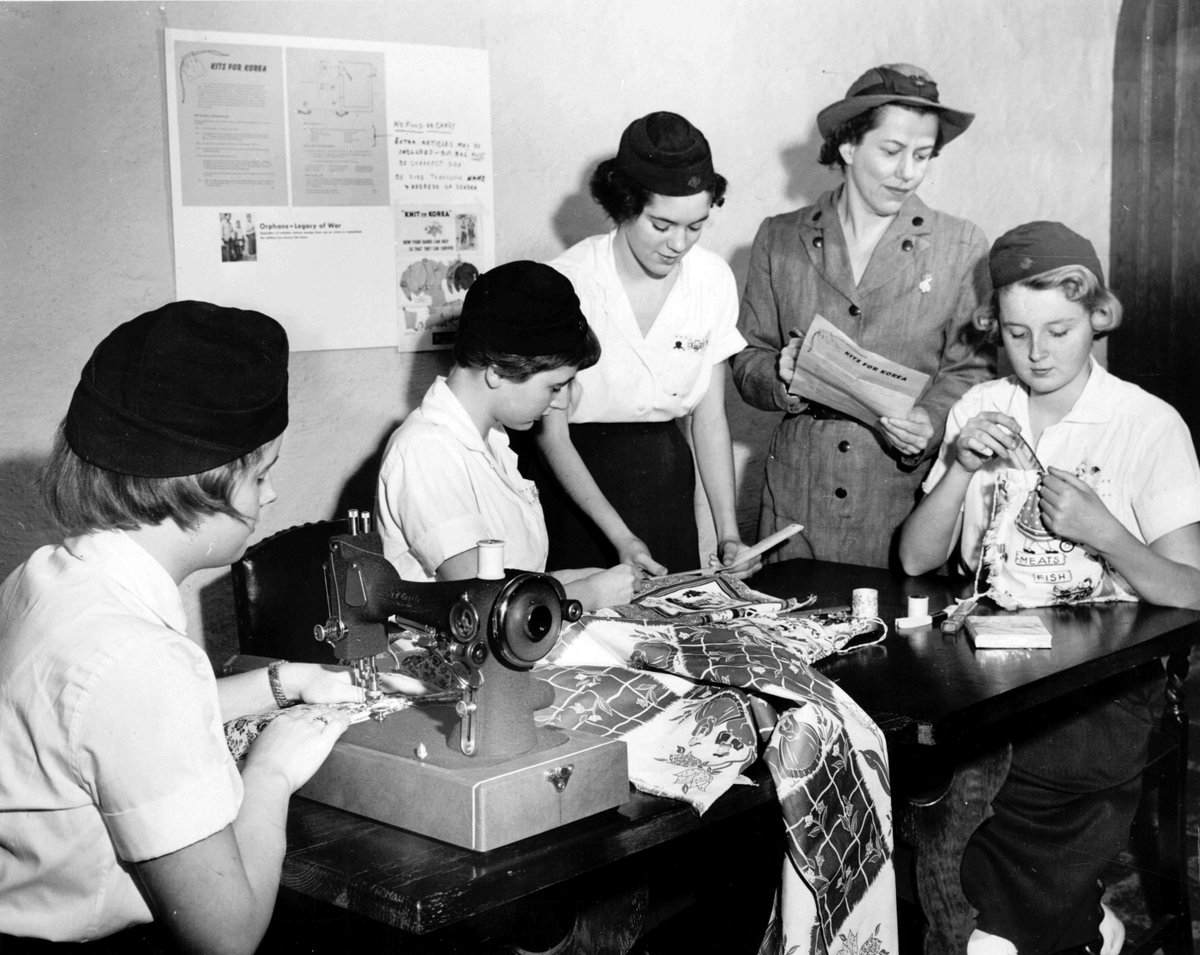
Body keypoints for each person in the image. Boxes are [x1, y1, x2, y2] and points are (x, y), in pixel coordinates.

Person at [0, 301, 424, 953]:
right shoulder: (134, 658)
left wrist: (286, 681)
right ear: (204, 484)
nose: (272, 496)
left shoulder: (49, 577)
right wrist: (272, 770)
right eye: (262, 474)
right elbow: (228, 934)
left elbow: (106, 729)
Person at [899, 222, 1200, 955]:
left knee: (1000, 780)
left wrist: (1106, 532)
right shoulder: (979, 409)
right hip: (992, 667)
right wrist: (962, 469)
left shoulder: (1147, 423)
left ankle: (1014, 929)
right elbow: (913, 559)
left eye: (1059, 330)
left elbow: (1191, 592)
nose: (1036, 354)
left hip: (1106, 680)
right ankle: (1055, 924)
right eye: (1015, 333)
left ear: (1097, 316)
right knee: (914, 761)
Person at [731, 64, 995, 568]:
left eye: (923, 155)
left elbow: (972, 368)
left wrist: (931, 420)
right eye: (892, 152)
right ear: (849, 146)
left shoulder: (960, 246)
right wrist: (780, 375)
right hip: (796, 496)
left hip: (900, 497)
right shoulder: (779, 237)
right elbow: (747, 357)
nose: (908, 172)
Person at [525, 111, 757, 577]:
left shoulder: (711, 279)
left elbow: (709, 419)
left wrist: (728, 534)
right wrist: (621, 538)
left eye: (695, 226)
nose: (678, 244)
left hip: (667, 484)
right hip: (579, 490)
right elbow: (552, 435)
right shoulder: (570, 281)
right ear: (626, 205)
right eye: (662, 225)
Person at [375, 260, 639, 611]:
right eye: (555, 386)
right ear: (497, 370)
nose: (561, 401)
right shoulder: (426, 451)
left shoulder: (492, 440)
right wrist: (587, 594)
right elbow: (479, 602)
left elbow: (504, 577)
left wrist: (570, 581)